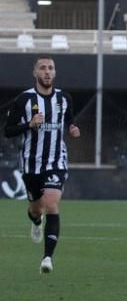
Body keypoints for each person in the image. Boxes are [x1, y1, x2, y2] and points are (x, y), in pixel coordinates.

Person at [3, 56, 81, 274]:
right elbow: (7, 131)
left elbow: (70, 120)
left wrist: (73, 128)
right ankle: (36, 222)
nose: (47, 72)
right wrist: (28, 124)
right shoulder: (24, 99)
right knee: (36, 210)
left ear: (55, 73)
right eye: (43, 68)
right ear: (35, 73)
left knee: (51, 204)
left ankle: (47, 258)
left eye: (51, 68)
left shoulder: (64, 98)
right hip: (31, 163)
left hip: (56, 160)